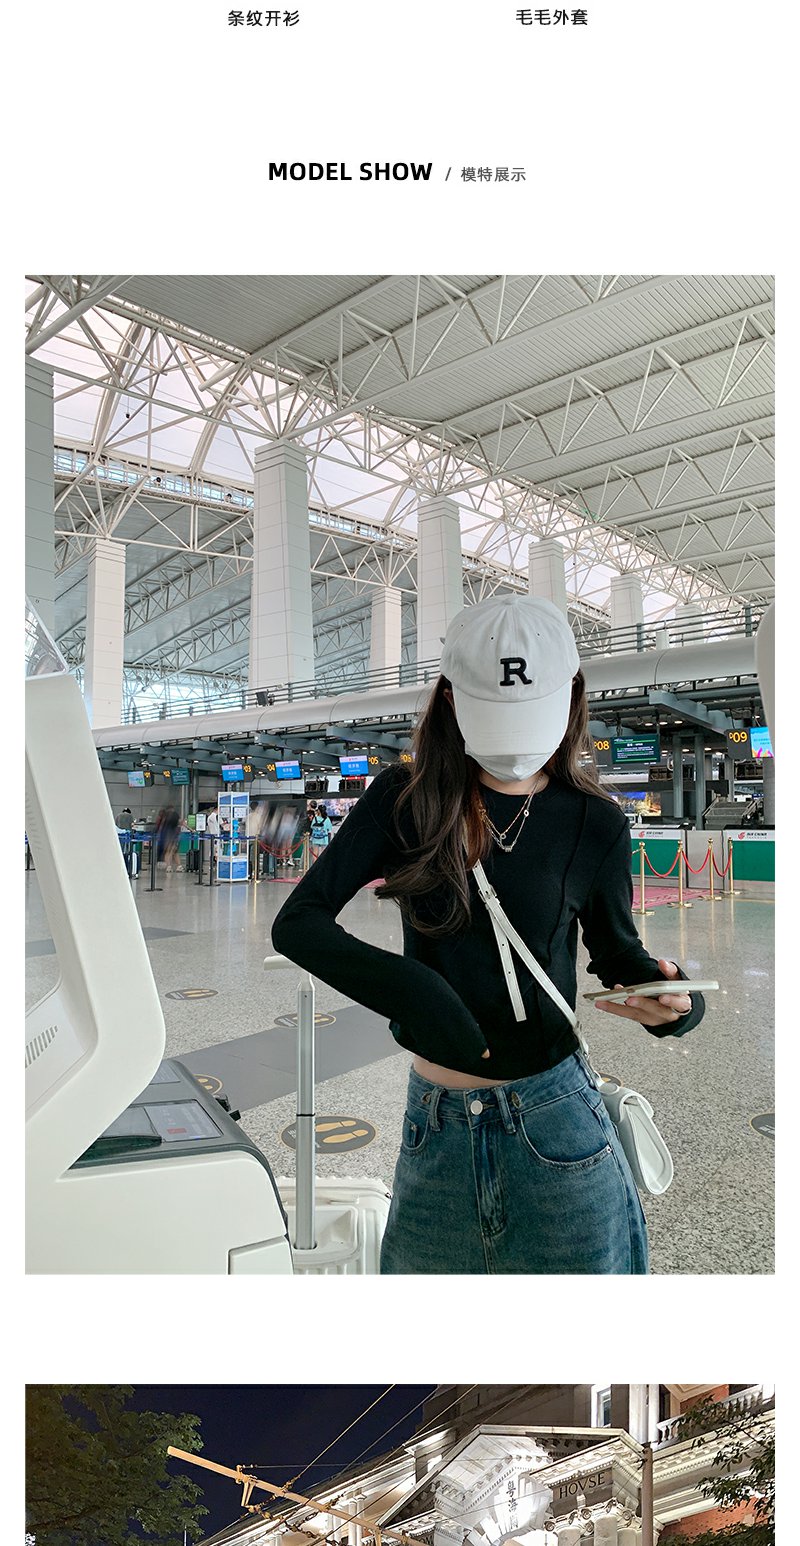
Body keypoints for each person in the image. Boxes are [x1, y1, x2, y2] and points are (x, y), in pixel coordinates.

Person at [271, 594, 706, 1276]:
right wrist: (415, 993)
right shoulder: (404, 799)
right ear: (450, 699)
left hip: (557, 1121)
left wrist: (677, 1000)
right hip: (436, 1128)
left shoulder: (594, 821)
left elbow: (619, 955)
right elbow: (299, 922)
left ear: (572, 696)